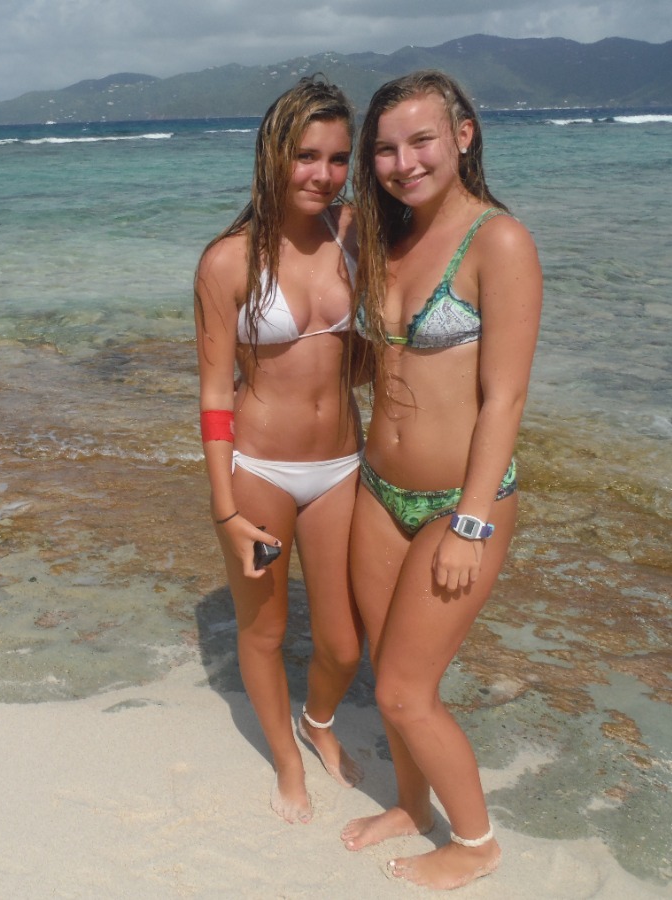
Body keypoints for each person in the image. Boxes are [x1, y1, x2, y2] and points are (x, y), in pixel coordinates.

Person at [339, 70, 543, 889]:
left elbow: (505, 399)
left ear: (462, 136)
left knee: (403, 690)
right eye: (385, 149)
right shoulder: (380, 236)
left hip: (461, 501)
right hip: (378, 490)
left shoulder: (499, 241)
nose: (404, 162)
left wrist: (471, 524)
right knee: (384, 664)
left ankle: (477, 842)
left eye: (421, 140)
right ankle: (411, 803)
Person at [194, 75, 366, 825]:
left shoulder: (355, 233)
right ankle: (287, 762)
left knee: (344, 643)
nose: (323, 174)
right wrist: (224, 510)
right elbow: (214, 394)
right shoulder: (227, 261)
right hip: (259, 469)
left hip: (342, 468)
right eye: (306, 156)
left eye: (338, 158)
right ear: (273, 154)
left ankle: (317, 720)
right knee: (264, 631)